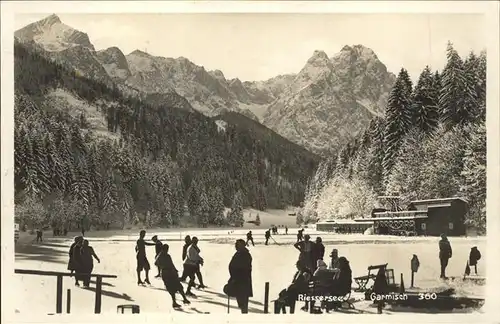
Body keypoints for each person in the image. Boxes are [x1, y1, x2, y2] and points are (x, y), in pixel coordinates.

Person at [155, 244, 191, 309]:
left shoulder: (163, 255)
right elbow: (158, 263)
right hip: (168, 273)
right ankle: (177, 301)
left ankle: (181, 300)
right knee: (175, 287)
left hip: (168, 273)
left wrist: (173, 270)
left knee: (176, 287)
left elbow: (159, 263)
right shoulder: (163, 256)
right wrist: (164, 267)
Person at [227, 239, 253, 313]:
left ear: (241, 245)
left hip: (242, 282)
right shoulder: (240, 253)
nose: (235, 246)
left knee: (243, 303)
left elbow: (242, 269)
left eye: (237, 244)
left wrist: (234, 278)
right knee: (241, 303)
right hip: (238, 281)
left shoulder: (245, 255)